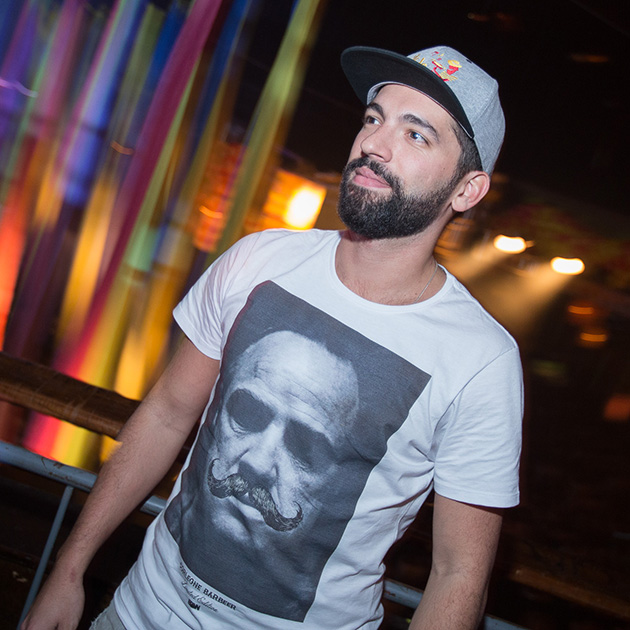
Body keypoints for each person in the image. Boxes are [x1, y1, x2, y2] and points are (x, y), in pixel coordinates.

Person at [22, 44, 523, 630]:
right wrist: (70, 567)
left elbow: (458, 575)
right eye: (374, 118)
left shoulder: (480, 361)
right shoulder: (259, 259)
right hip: (136, 613)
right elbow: (166, 414)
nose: (374, 144)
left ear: (467, 190)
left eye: (416, 135)